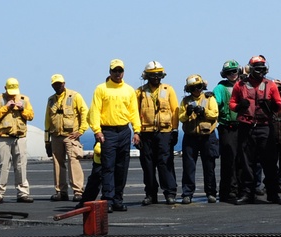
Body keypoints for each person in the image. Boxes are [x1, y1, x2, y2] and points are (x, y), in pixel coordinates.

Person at [87, 59, 142, 212]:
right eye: (115, 71)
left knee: (121, 167)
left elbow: (133, 112)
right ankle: (108, 200)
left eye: (120, 71)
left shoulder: (129, 90)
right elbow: (95, 111)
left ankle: (118, 199)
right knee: (108, 167)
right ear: (110, 72)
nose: (118, 74)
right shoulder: (101, 89)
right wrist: (97, 131)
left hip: (124, 131)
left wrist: (136, 130)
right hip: (107, 132)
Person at [229, 55, 281, 204]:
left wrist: (272, 106)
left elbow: (279, 104)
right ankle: (248, 193)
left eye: (262, 68)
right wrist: (240, 106)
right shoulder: (240, 85)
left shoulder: (270, 85)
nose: (260, 72)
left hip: (265, 126)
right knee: (247, 162)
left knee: (270, 162)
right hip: (246, 127)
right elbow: (232, 104)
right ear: (251, 69)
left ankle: (272, 193)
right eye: (257, 68)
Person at [136, 61, 180, 205]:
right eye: (153, 75)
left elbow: (175, 110)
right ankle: (150, 194)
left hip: (164, 133)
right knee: (147, 165)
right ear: (147, 76)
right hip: (146, 133)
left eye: (158, 75)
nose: (156, 78)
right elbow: (135, 112)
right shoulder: (140, 92)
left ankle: (170, 193)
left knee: (165, 163)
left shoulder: (168, 90)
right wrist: (137, 132)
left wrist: (174, 129)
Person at [0, 78, 35, 204]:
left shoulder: (24, 99)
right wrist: (6, 107)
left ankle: (23, 193)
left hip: (19, 138)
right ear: (5, 88)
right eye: (10, 91)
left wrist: (22, 109)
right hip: (3, 138)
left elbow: (31, 116)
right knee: (2, 166)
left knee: (21, 166)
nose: (12, 94)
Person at [44, 74, 89, 202]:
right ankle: (60, 191)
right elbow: (47, 121)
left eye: (60, 83)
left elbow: (85, 112)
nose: (58, 86)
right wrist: (47, 140)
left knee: (73, 162)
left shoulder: (75, 96)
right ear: (52, 85)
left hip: (71, 137)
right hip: (56, 136)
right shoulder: (51, 100)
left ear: (64, 83)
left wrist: (81, 131)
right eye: (55, 84)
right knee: (57, 163)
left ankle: (78, 191)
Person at [179, 74, 220, 203]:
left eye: (199, 87)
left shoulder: (209, 98)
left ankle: (211, 192)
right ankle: (187, 193)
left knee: (209, 166)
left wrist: (204, 112)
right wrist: (188, 113)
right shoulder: (185, 101)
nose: (197, 90)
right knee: (188, 166)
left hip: (207, 136)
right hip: (190, 136)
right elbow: (181, 118)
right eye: (193, 88)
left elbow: (215, 114)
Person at [214, 60, 242, 202]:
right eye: (229, 72)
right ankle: (227, 190)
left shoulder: (243, 85)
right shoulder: (220, 88)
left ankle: (240, 188)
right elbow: (216, 103)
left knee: (242, 159)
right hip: (227, 127)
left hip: (242, 126)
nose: (233, 74)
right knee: (229, 159)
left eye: (235, 71)